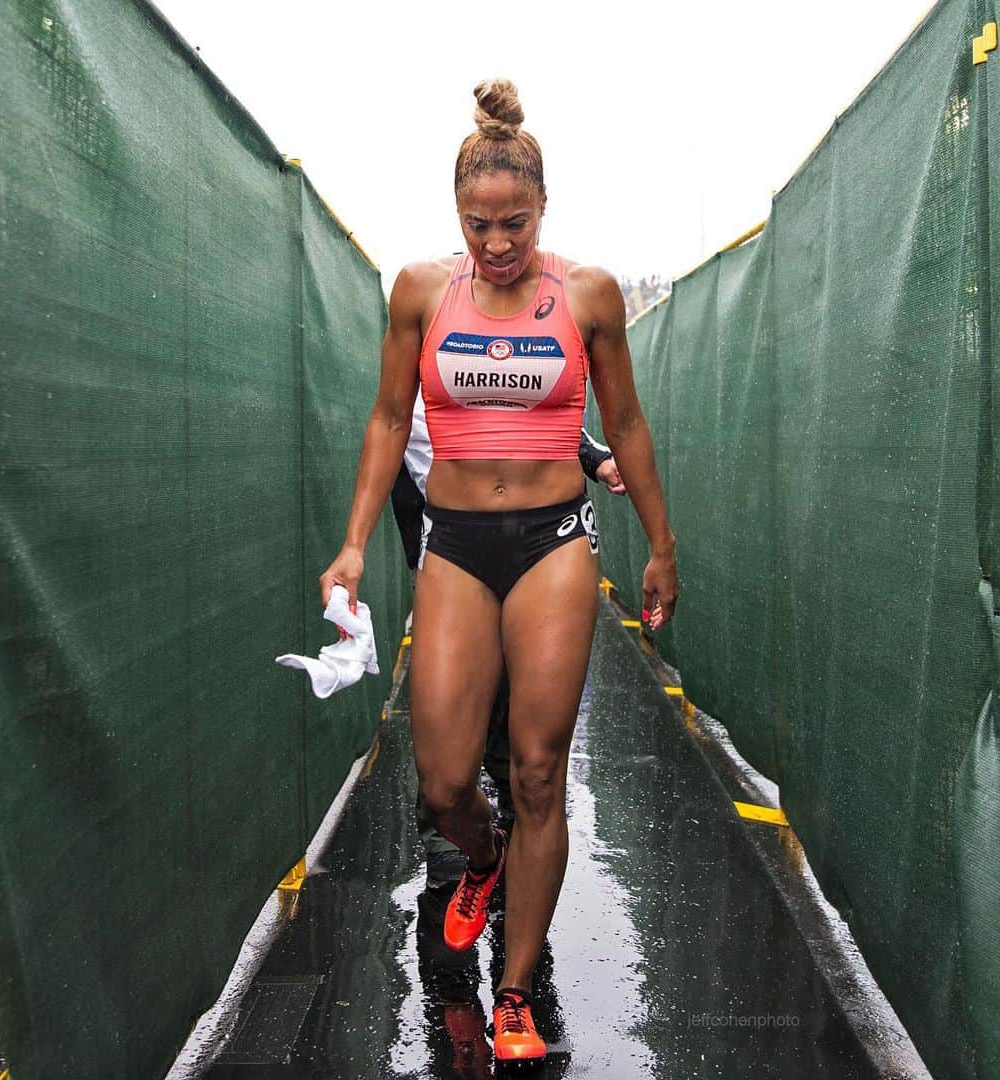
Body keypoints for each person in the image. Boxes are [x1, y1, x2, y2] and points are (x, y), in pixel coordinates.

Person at [320, 77, 678, 1064]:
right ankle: (480, 864)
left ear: (543, 211)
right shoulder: (421, 294)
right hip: (454, 546)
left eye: (513, 224)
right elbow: (390, 420)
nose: (496, 244)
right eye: (478, 225)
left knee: (534, 769)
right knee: (443, 784)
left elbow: (631, 424)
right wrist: (354, 542)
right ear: (457, 217)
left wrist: (661, 542)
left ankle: (515, 996)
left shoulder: (588, 296)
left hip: (555, 541)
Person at [391, 395, 627, 888]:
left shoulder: (472, 358)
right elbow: (385, 437)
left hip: (521, 549)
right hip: (445, 557)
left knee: (513, 696)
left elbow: (539, 414)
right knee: (444, 727)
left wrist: (598, 459)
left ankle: (512, 816)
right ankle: (451, 842)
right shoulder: (407, 386)